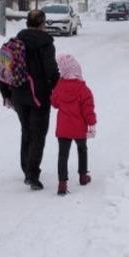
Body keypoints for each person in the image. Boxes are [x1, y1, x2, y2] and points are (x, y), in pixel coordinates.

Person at [0, 9, 60, 190]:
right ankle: (32, 174)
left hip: (18, 94)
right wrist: (60, 91)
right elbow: (51, 71)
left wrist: (6, 94)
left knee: (26, 130)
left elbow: (2, 70)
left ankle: (26, 167)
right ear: (42, 23)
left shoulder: (15, 42)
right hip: (39, 96)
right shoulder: (46, 43)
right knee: (38, 134)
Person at [49, 53, 96, 196]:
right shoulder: (83, 89)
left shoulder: (59, 86)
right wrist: (91, 123)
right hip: (79, 128)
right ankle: (83, 176)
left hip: (63, 128)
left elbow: (55, 104)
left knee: (63, 155)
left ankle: (62, 184)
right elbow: (88, 109)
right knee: (82, 150)